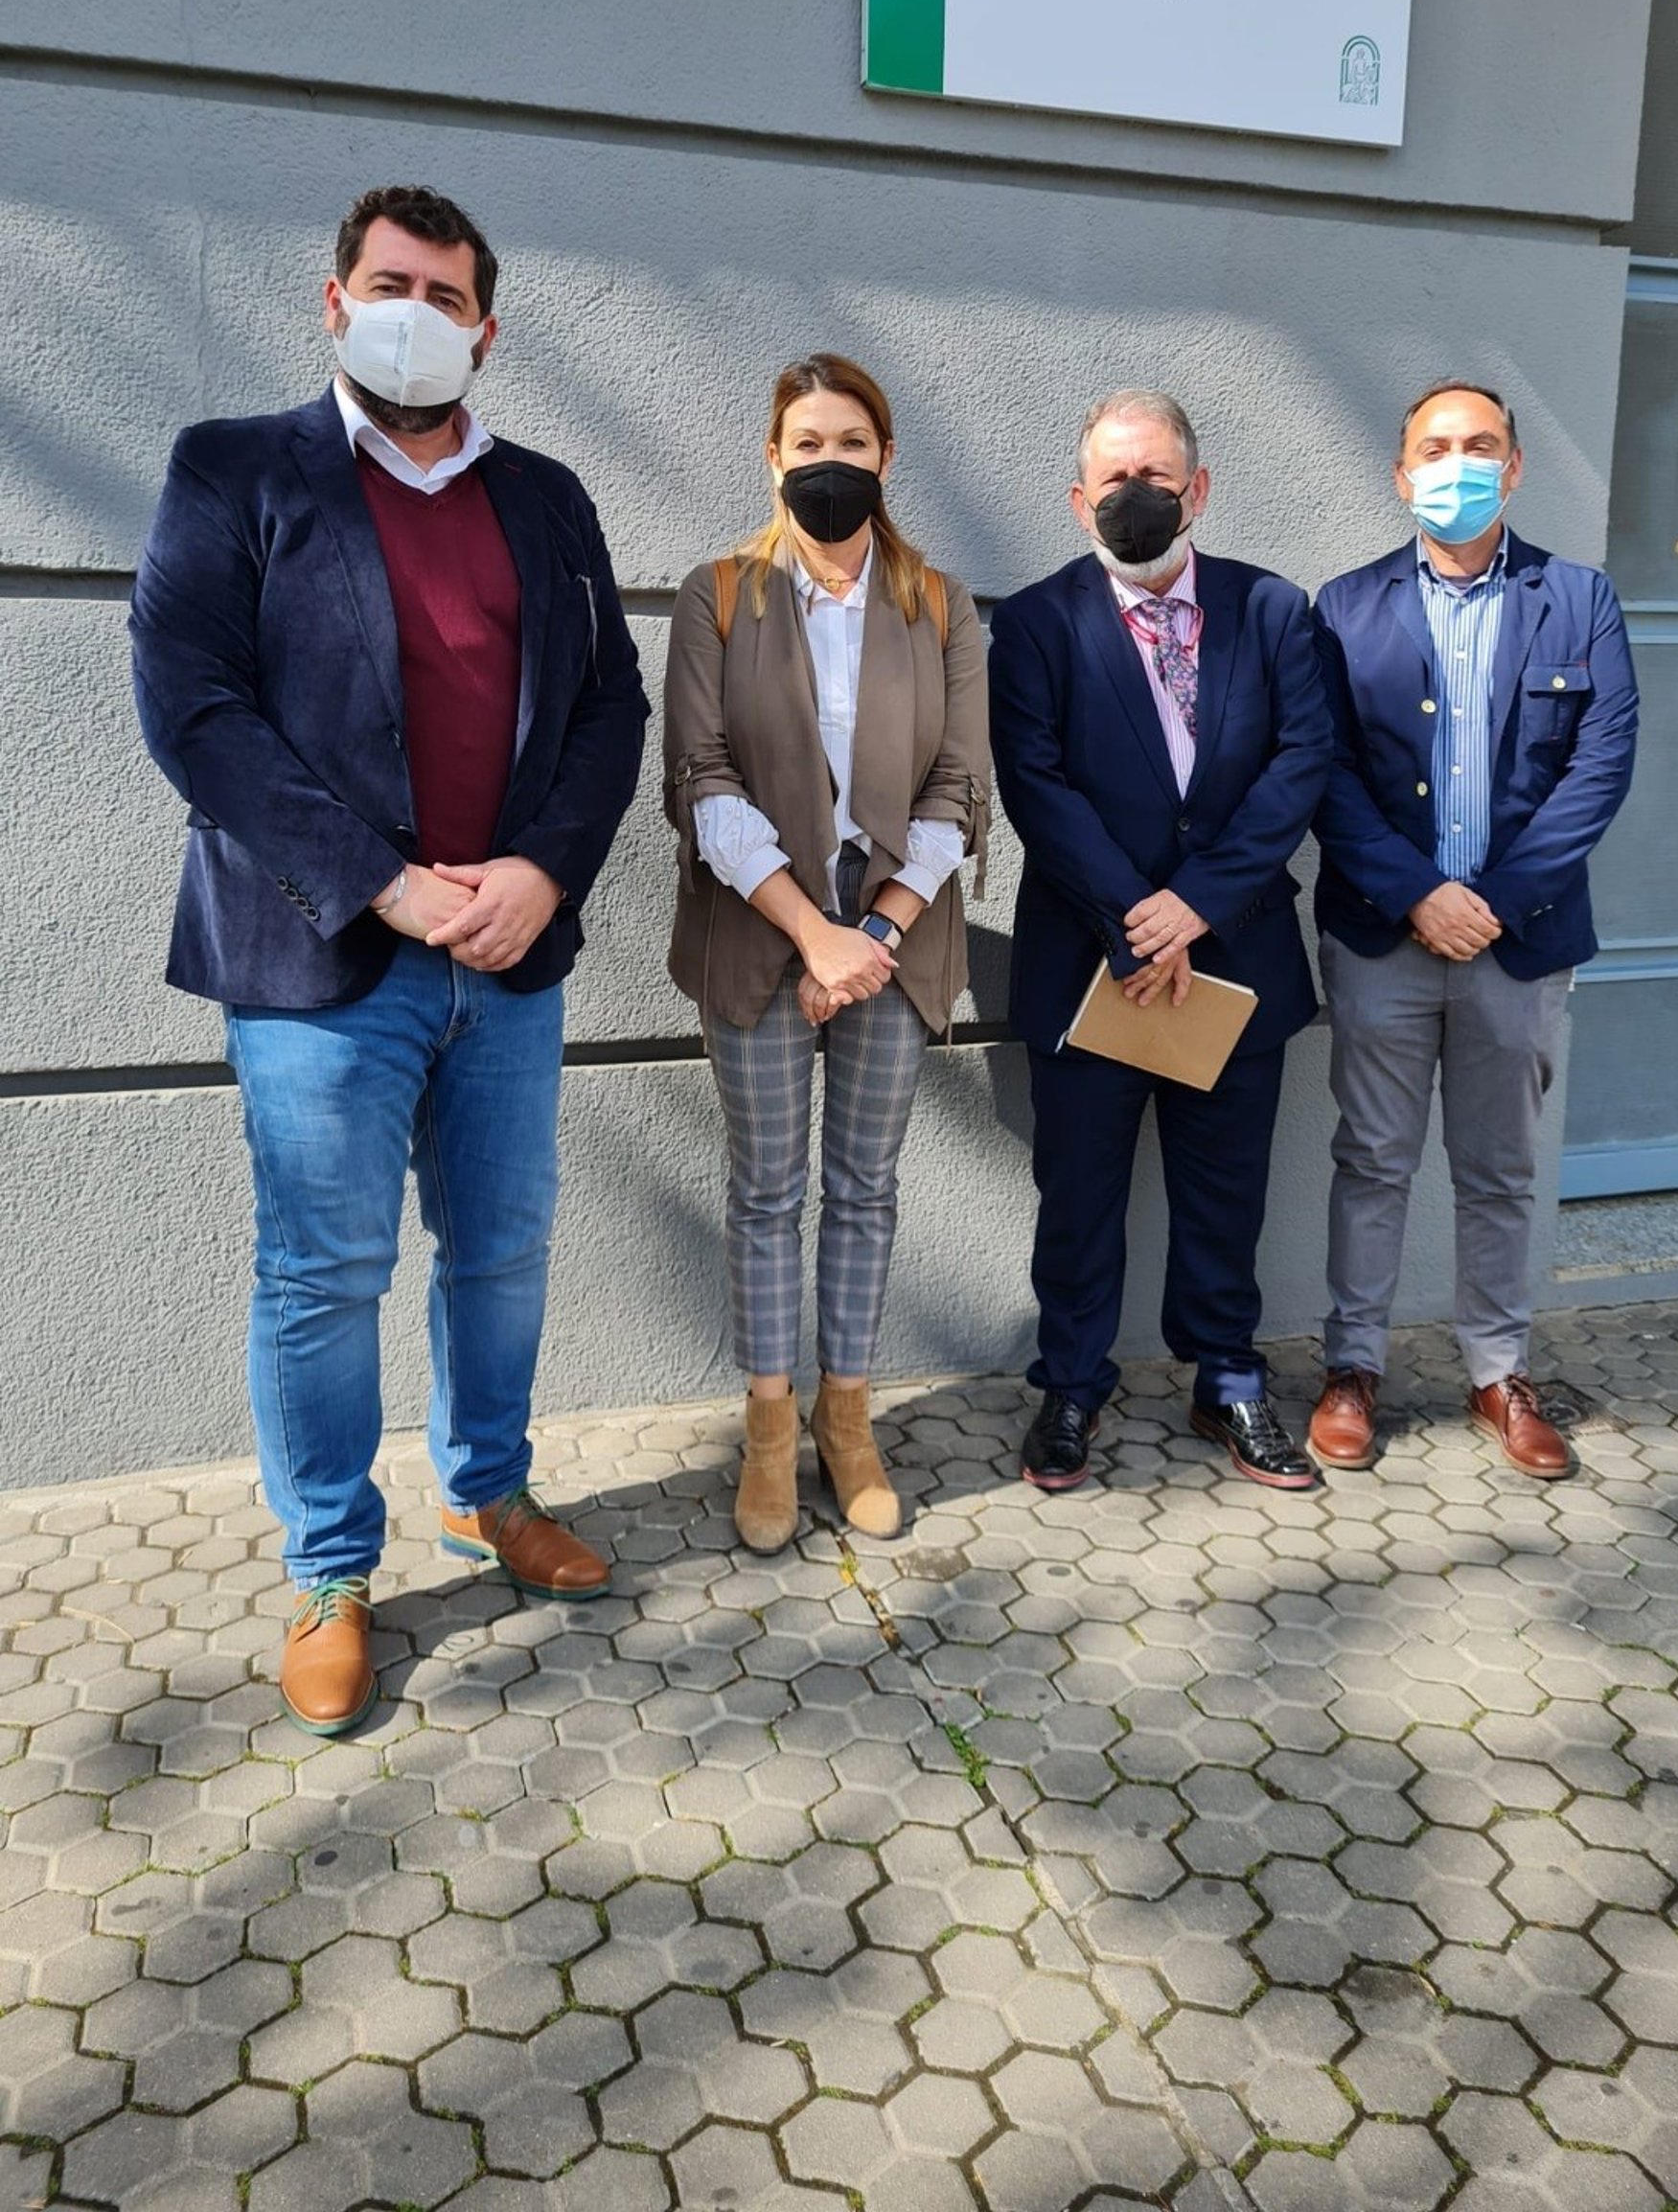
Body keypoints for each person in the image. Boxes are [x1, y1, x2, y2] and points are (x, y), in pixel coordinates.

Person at [130, 184, 650, 1737]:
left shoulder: (546, 498)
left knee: (502, 1249)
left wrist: (541, 870)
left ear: (486, 330)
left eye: (445, 294)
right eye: (389, 283)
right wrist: (387, 886)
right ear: (335, 299)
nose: (413, 312)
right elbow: (194, 707)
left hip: (511, 954)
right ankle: (331, 1571)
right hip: (322, 959)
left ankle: (487, 1491)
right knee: (325, 1271)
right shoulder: (236, 471)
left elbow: (610, 706)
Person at [662, 354, 989, 1554]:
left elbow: (960, 781)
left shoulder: (939, 604)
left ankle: (847, 1420)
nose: (830, 463)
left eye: (852, 442)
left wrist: (877, 932)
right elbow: (699, 776)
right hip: (761, 928)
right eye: (808, 443)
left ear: (886, 458)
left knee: (864, 1184)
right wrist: (814, 932)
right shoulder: (719, 596)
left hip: (898, 931)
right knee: (765, 1187)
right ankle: (768, 1426)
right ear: (773, 458)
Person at [989, 390, 1333, 1494]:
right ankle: (1071, 1383)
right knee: (1079, 1196)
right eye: (1114, 480)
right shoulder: (1036, 624)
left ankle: (1227, 1377)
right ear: (1079, 498)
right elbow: (1035, 786)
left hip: (1236, 958)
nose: (1135, 496)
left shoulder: (1273, 611)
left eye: (1157, 477)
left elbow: (1301, 765)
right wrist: (1137, 919)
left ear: (1199, 489)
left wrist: (1195, 906)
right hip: (1091, 964)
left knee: (1227, 1195)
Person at [1310, 380, 1638, 1477]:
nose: (1459, 464)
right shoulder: (1344, 607)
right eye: (1437, 448)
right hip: (1383, 937)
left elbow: (1600, 767)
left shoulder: (1579, 599)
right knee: (1371, 1160)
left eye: (1480, 444)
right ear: (1403, 474)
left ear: (1515, 466)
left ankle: (1499, 1371)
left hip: (1519, 941)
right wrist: (1418, 892)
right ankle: (1352, 1366)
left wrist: (1492, 898)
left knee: (1499, 1169)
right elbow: (1327, 771)